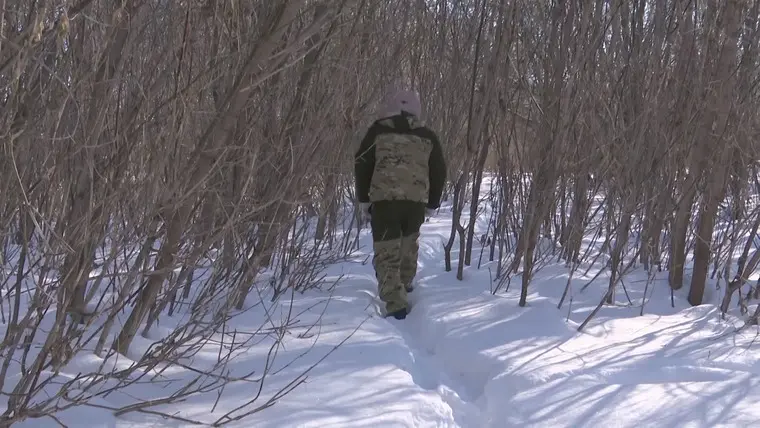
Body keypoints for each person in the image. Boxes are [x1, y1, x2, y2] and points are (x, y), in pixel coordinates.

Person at [354, 89, 447, 320]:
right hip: (415, 202)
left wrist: (364, 198)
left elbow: (362, 162)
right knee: (408, 244)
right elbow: (439, 169)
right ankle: (405, 284)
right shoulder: (427, 135)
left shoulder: (377, 131)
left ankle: (396, 304)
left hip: (385, 202)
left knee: (387, 251)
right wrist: (432, 202)